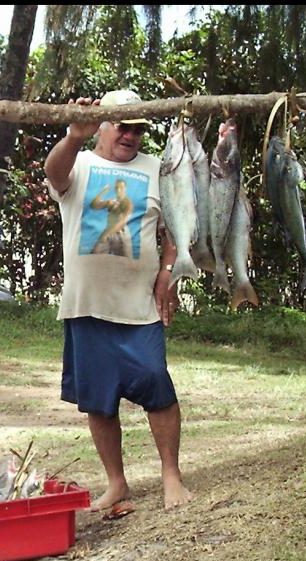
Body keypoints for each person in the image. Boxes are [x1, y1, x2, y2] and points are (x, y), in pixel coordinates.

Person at [44, 89, 193, 515]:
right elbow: (54, 174)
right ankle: (117, 482)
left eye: (137, 128)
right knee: (97, 399)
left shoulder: (158, 168)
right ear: (103, 128)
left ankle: (171, 474)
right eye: (121, 125)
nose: (129, 135)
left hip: (138, 306)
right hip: (86, 304)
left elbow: (174, 227)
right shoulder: (80, 161)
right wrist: (74, 136)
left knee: (155, 383)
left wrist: (169, 273)